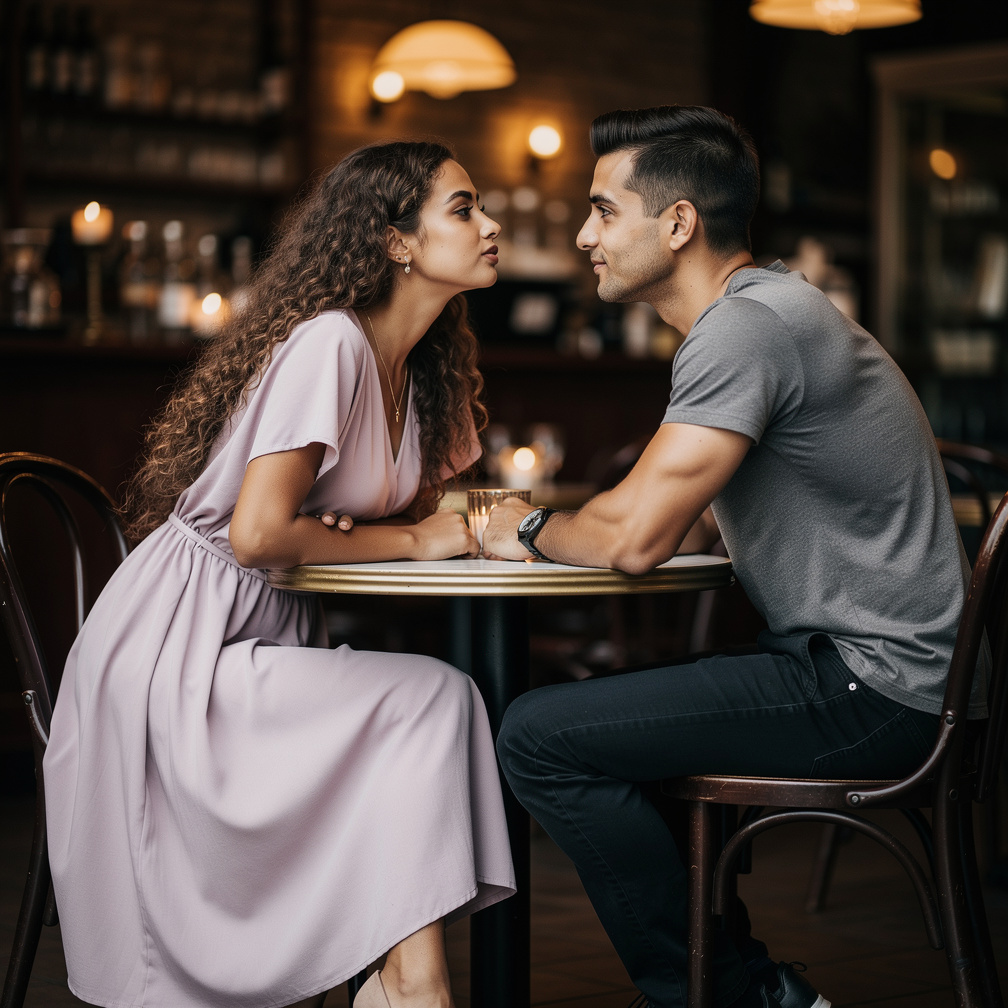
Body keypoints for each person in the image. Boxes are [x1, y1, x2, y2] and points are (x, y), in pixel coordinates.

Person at [482, 105, 988, 1008]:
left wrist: (517, 529)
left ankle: (743, 998)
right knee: (614, 726)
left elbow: (635, 539)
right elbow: (680, 523)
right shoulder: (770, 313)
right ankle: (754, 989)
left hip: (880, 685)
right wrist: (599, 520)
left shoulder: (748, 329)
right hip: (888, 671)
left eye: (602, 211)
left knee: (537, 735)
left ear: (678, 225)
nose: (581, 235)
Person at [43, 140, 516, 1008]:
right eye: (464, 208)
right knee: (432, 700)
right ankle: (411, 983)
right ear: (396, 242)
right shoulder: (329, 344)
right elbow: (262, 536)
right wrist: (401, 542)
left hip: (268, 637)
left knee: (427, 705)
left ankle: (403, 979)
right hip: (180, 651)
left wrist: (355, 529)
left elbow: (391, 519)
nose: (492, 226)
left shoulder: (424, 368)